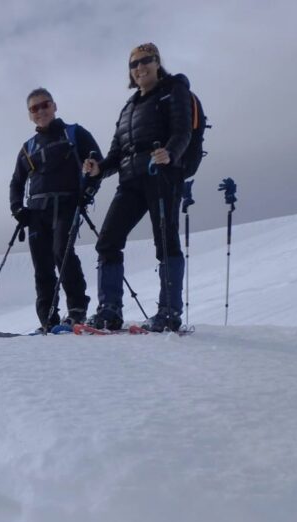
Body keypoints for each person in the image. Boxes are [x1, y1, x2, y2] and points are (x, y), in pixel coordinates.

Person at [82, 43, 192, 332]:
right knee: (107, 241)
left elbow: (183, 131)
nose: (140, 67)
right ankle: (109, 310)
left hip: (162, 175)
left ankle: (169, 312)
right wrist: (99, 170)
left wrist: (170, 153)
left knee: (165, 240)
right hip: (130, 180)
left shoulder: (173, 90)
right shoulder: (129, 107)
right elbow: (117, 154)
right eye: (134, 64)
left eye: (146, 61)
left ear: (157, 62)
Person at [9, 88, 102, 332]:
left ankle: (76, 311)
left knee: (62, 252)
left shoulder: (74, 133)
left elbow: (97, 164)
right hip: (36, 211)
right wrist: (18, 208)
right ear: (30, 115)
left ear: (54, 106)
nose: (40, 111)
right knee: (42, 265)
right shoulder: (28, 147)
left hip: (67, 204)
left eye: (44, 105)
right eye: (34, 108)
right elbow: (17, 182)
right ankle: (47, 320)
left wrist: (88, 193)